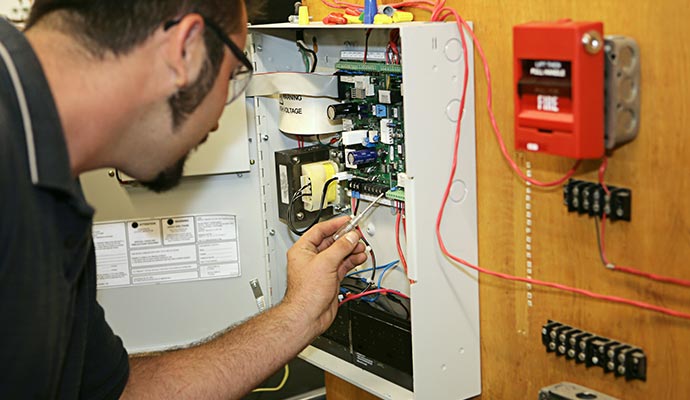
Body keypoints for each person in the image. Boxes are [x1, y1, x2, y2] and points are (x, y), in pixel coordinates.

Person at [0, 0, 367, 398]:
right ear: (185, 50)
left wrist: (299, 316)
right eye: (233, 78)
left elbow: (115, 393)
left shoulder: (54, 188)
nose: (215, 120)